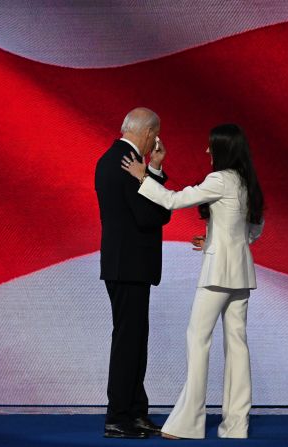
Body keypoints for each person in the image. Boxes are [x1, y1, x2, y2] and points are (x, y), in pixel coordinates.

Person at [121, 123, 264, 439]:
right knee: (237, 346)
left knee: (197, 340)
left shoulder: (219, 179)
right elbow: (253, 229)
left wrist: (143, 177)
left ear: (223, 149)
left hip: (217, 274)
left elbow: (173, 200)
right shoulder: (246, 182)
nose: (207, 151)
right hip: (241, 273)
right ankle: (236, 426)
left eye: (211, 146)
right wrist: (214, 238)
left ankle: (189, 423)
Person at [94, 107, 172, 439]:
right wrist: (152, 172)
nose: (157, 140)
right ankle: (119, 416)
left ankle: (136, 410)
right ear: (148, 132)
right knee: (129, 342)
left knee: (135, 340)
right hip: (129, 267)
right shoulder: (128, 163)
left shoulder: (107, 158)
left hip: (122, 265)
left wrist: (150, 171)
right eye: (156, 133)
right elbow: (151, 214)